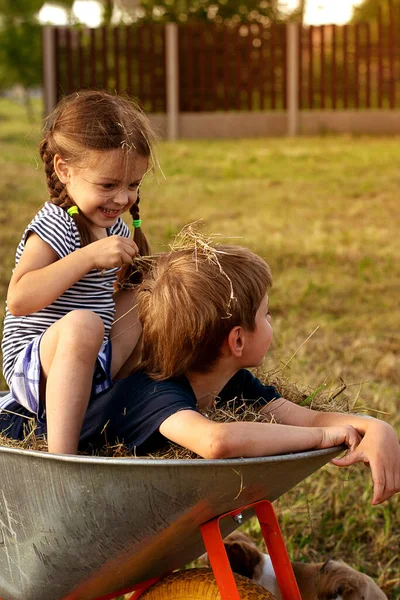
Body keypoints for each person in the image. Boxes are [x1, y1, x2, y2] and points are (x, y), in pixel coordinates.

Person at [1, 243, 399, 505]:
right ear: (237, 341)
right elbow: (217, 441)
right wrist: (322, 438)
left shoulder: (230, 383)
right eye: (266, 314)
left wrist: (375, 428)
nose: (273, 319)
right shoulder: (155, 391)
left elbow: (306, 416)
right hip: (17, 441)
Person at [0, 90, 155, 455]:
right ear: (64, 170)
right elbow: (20, 298)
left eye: (133, 185)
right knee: (84, 323)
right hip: (36, 367)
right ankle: (63, 457)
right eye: (108, 185)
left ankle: (125, 401)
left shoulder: (114, 227)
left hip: (94, 359)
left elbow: (113, 295)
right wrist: (87, 257)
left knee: (147, 296)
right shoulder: (56, 223)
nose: (122, 198)